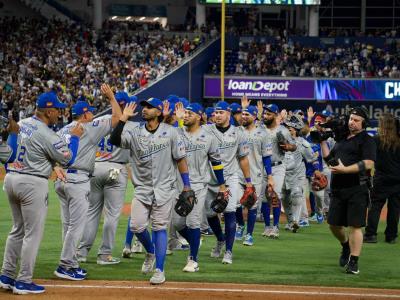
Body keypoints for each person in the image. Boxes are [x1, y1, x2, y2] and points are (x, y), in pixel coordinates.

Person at [0, 92, 83, 294]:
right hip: (32, 183)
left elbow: (19, 150)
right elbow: (68, 159)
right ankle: (23, 281)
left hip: (11, 179)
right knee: (32, 234)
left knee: (17, 229)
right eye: (58, 110)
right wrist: (74, 138)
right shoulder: (47, 134)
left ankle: (6, 276)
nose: (60, 113)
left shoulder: (23, 122)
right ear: (49, 111)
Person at [109, 97, 192, 285]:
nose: (144, 109)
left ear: (159, 111)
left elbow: (180, 159)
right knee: (136, 226)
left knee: (159, 227)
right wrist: (123, 119)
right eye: (143, 107)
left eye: (149, 107)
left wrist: (186, 185)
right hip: (142, 189)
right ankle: (151, 251)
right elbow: (114, 140)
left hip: (164, 189)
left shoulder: (171, 132)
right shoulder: (135, 131)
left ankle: (160, 270)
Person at [54, 84, 122, 281]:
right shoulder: (89, 127)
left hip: (61, 179)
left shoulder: (63, 130)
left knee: (67, 225)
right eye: (90, 112)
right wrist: (111, 97)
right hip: (77, 180)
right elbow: (117, 118)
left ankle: (72, 262)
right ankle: (66, 265)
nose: (92, 114)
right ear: (84, 115)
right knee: (76, 226)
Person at [76, 92, 136, 265]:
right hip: (116, 168)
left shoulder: (99, 122)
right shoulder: (131, 126)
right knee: (111, 215)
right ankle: (104, 254)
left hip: (95, 167)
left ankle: (81, 252)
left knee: (92, 213)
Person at [172, 102, 227, 272]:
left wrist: (222, 185)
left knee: (193, 221)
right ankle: (195, 243)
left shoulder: (209, 137)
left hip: (198, 185)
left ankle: (193, 260)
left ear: (199, 116)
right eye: (185, 113)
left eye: (190, 113)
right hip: (177, 184)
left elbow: (216, 163)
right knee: (176, 223)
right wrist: (176, 120)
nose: (186, 115)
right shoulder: (176, 133)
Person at [320, 107, 376, 275]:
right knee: (333, 225)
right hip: (338, 188)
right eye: (351, 119)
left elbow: (368, 163)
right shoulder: (342, 139)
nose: (352, 122)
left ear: (364, 123)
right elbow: (330, 161)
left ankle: (354, 261)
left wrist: (345, 170)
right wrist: (322, 141)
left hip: (357, 188)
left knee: (355, 226)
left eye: (357, 120)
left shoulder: (367, 140)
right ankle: (345, 245)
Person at [203, 101, 253, 264]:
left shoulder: (239, 133)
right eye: (216, 112)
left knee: (230, 212)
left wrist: (249, 182)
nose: (217, 115)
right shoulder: (206, 130)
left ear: (228, 114)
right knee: (210, 214)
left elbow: (243, 159)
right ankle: (220, 239)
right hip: (208, 178)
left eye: (221, 112)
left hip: (230, 177)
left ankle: (229, 251)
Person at [235, 105, 274, 245]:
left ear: (254, 116)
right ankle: (240, 224)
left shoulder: (263, 134)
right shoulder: (237, 131)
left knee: (252, 206)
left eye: (247, 114)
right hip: (237, 174)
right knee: (235, 204)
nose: (243, 117)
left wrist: (270, 176)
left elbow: (266, 157)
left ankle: (249, 235)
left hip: (256, 175)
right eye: (242, 114)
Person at [259, 104, 296, 238]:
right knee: (263, 198)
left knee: (275, 195)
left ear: (275, 115)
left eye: (268, 114)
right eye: (264, 114)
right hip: (262, 167)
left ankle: (275, 227)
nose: (265, 116)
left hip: (278, 166)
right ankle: (267, 226)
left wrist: (288, 146)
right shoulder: (260, 129)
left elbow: (294, 146)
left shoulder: (283, 130)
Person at [364, 113, 400, 244]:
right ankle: (391, 236)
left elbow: (370, 160)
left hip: (381, 179)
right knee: (395, 209)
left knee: (375, 207)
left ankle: (371, 235)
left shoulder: (376, 140)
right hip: (397, 180)